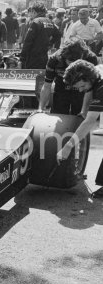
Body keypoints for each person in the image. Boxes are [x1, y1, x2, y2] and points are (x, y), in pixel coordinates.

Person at [57, 60, 103, 198]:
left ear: (87, 78)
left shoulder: (101, 87)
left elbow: (89, 122)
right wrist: (83, 111)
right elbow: (89, 90)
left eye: (81, 86)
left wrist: (68, 146)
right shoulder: (95, 71)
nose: (81, 90)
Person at [39, 39, 98, 114]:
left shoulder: (91, 58)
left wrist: (84, 111)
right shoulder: (54, 59)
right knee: (59, 113)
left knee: (80, 116)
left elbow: (91, 88)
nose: (71, 66)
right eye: (69, 62)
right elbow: (47, 85)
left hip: (83, 90)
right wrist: (40, 108)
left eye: (75, 63)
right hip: (61, 87)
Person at [20, 2, 61, 69]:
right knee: (41, 76)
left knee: (31, 76)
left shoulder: (36, 22)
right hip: (44, 55)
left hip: (33, 56)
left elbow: (28, 41)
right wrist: (50, 44)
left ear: (34, 11)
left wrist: (22, 56)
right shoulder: (50, 21)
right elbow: (58, 34)